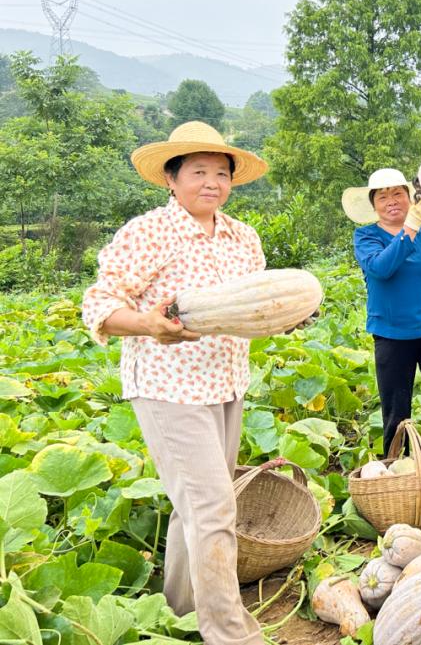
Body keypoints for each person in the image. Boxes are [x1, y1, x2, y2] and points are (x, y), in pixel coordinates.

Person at [82, 121, 269, 644]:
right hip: (169, 387)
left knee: (198, 507)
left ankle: (183, 612)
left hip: (227, 382)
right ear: (171, 178)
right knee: (213, 508)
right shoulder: (148, 232)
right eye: (198, 172)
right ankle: (231, 633)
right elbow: (98, 305)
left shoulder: (242, 237)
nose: (211, 182)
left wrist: (283, 315)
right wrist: (150, 326)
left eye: (221, 173)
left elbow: (254, 305)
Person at [343, 166, 421, 464]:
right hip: (392, 336)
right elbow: (381, 269)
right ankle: (397, 477)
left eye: (398, 193)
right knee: (396, 416)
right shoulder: (366, 237)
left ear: (409, 198)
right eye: (383, 196)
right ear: (374, 205)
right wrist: (409, 228)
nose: (392, 201)